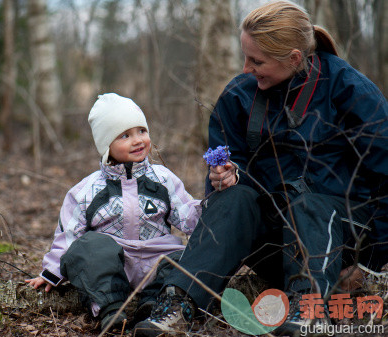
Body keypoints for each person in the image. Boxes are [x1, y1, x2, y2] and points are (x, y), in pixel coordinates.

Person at [134, 1, 387, 336]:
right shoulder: (238, 97)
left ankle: (309, 310)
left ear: (294, 58)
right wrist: (224, 179)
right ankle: (178, 305)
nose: (246, 68)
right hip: (271, 245)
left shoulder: (350, 90)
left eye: (257, 60)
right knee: (234, 198)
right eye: (244, 56)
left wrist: (369, 264)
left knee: (309, 201)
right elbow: (222, 201)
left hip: (339, 246)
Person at [25, 93, 202, 332]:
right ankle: (112, 309)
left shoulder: (163, 179)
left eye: (142, 131)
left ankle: (153, 304)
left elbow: (187, 216)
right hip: (112, 266)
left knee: (185, 257)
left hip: (156, 259)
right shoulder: (87, 190)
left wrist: (208, 207)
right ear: (106, 145)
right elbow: (68, 234)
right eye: (125, 135)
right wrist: (51, 272)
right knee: (87, 246)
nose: (138, 140)